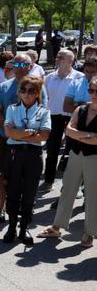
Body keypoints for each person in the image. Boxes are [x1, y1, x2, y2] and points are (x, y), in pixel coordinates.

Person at [39, 77, 97, 248]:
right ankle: (57, 226)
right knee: (67, 191)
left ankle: (90, 232)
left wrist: (78, 134)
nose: (93, 94)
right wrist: (88, 136)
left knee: (93, 196)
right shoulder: (81, 109)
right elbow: (68, 130)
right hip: (76, 155)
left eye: (96, 91)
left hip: (94, 158)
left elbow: (77, 134)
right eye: (91, 90)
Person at [0, 53, 49, 220]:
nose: (18, 68)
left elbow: (41, 111)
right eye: (14, 65)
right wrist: (11, 131)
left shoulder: (39, 88)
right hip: (6, 139)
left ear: (30, 66)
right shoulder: (4, 87)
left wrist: (24, 135)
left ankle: (25, 208)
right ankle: (1, 208)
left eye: (22, 65)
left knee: (27, 178)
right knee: (4, 176)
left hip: (30, 141)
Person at [2, 75, 51, 245]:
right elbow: (8, 133)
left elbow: (44, 135)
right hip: (15, 154)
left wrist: (20, 134)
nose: (27, 94)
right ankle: (12, 227)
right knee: (13, 192)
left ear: (38, 93)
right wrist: (30, 133)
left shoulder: (44, 111)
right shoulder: (12, 109)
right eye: (23, 90)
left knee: (30, 194)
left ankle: (24, 228)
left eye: (31, 91)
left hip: (34, 155)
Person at [41, 49, 83, 191]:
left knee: (72, 153)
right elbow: (43, 98)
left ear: (70, 61)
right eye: (57, 56)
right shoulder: (49, 77)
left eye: (61, 57)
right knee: (51, 151)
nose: (57, 58)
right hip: (53, 117)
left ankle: (71, 186)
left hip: (73, 119)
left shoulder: (80, 78)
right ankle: (48, 181)